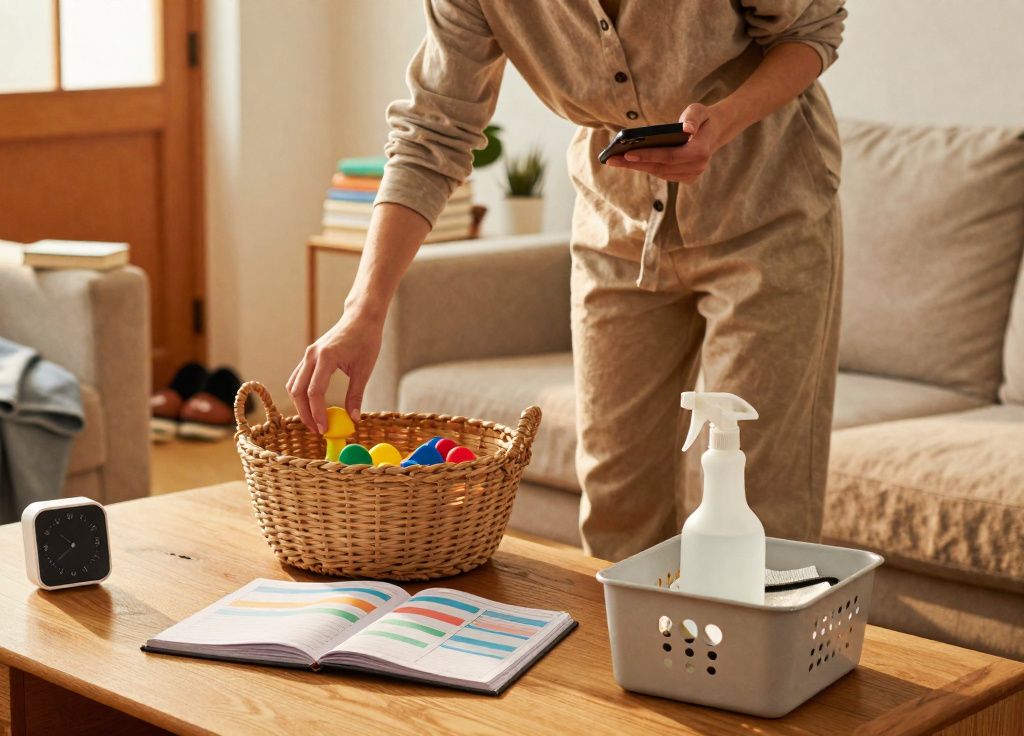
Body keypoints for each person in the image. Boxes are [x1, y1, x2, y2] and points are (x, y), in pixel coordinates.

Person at [288, 1, 846, 561]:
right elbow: (432, 134)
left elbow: (810, 32)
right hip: (616, 229)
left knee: (758, 499)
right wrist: (363, 311)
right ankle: (628, 650)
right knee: (615, 502)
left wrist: (726, 119)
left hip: (767, 213)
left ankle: (766, 648)